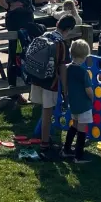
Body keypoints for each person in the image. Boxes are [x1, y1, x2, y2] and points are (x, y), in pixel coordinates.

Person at [25, 14, 74, 157]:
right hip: (50, 82)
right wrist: (65, 88)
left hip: (36, 78)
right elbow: (62, 68)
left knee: (43, 110)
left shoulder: (44, 35)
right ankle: (45, 144)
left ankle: (45, 138)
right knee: (47, 113)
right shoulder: (61, 44)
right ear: (69, 30)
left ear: (57, 23)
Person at [62, 39, 94, 162]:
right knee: (82, 129)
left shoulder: (67, 68)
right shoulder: (83, 72)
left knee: (74, 125)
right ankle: (79, 156)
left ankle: (66, 149)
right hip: (84, 105)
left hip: (73, 103)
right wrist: (92, 98)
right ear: (85, 56)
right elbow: (88, 90)